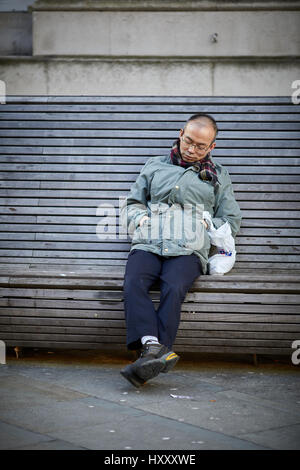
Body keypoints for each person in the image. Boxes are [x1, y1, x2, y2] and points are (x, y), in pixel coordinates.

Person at [120, 113, 242, 388]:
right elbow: (132, 203)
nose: (192, 149)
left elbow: (231, 219)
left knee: (173, 286)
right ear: (180, 134)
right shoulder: (154, 166)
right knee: (133, 283)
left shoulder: (218, 175)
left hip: (188, 248)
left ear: (211, 147)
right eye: (189, 141)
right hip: (149, 242)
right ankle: (155, 349)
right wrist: (141, 220)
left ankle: (149, 356)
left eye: (201, 146)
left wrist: (207, 223)